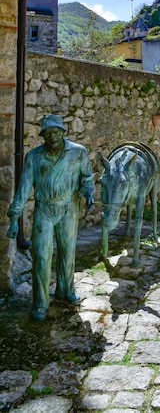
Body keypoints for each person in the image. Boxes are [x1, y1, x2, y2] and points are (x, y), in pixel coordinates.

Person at [7, 114, 94, 321]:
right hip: (44, 210)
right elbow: (23, 189)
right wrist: (14, 218)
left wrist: (88, 191)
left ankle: (65, 290)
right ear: (43, 136)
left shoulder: (78, 152)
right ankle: (40, 302)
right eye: (48, 134)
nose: (52, 137)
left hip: (68, 208)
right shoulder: (34, 157)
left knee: (67, 252)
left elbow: (87, 177)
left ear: (63, 133)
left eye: (56, 132)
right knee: (42, 256)